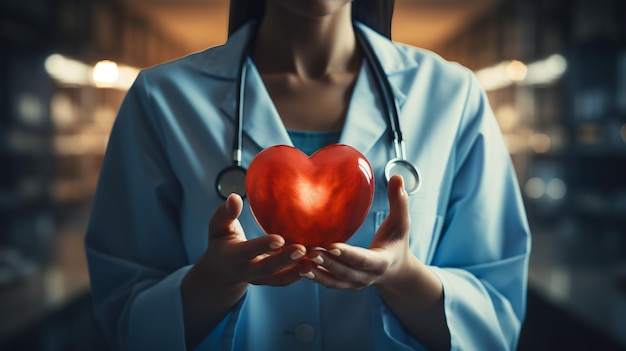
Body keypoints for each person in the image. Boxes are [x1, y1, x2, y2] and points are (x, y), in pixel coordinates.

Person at [85, 0, 531, 350]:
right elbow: (123, 316)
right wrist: (213, 281)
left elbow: (495, 319)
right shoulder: (161, 98)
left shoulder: (452, 96)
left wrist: (403, 275)